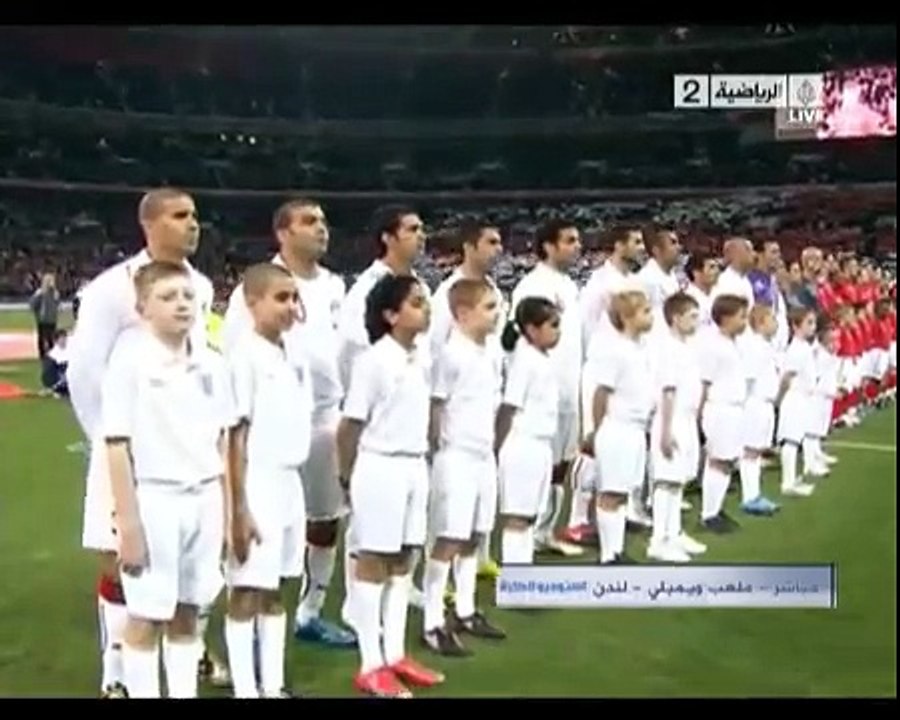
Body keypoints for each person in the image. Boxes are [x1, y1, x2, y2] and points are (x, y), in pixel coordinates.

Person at [66, 188, 215, 698]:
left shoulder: (203, 286)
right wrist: (107, 441)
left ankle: (183, 660)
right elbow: (85, 371)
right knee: (121, 562)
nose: (193, 224)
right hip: (124, 448)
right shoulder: (111, 289)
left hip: (183, 454)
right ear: (149, 224)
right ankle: (116, 674)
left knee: (182, 571)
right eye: (180, 215)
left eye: (194, 215)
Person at [223, 199, 355, 648]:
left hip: (322, 416)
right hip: (266, 430)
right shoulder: (258, 286)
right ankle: (235, 621)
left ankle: (310, 611)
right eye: (309, 221)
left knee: (323, 519)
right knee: (255, 529)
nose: (322, 228)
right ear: (283, 232)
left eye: (323, 220)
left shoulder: (335, 286)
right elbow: (234, 357)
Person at [100, 261, 229, 698]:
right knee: (147, 615)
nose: (181, 305)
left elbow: (223, 443)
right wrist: (128, 523)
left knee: (190, 610)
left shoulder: (213, 363)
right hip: (156, 499)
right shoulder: (129, 364)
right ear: (143, 308)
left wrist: (229, 511)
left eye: (188, 297)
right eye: (168, 297)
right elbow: (116, 445)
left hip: (206, 496)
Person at [337, 274, 442, 698]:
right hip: (380, 465)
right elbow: (350, 425)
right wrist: (346, 475)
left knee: (405, 559)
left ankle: (395, 652)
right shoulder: (374, 360)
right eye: (416, 303)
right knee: (375, 559)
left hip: (415, 464)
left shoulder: (421, 357)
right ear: (390, 314)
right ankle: (370, 662)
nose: (426, 309)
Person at [224, 263, 313, 698]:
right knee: (246, 589)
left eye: (295, 298)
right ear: (251, 302)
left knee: (277, 587)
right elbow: (233, 438)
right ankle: (245, 688)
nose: (291, 307)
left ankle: (273, 685)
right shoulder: (243, 356)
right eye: (281, 298)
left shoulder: (291, 354)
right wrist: (237, 508)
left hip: (289, 482)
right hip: (257, 481)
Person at [337, 205, 429, 615]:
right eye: (411, 229)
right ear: (387, 238)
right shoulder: (367, 289)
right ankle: (356, 605)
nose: (421, 235)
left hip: (408, 422)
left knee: (401, 539)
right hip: (376, 422)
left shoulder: (415, 285)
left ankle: (390, 607)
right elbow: (351, 354)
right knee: (368, 533)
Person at [423, 278, 506, 657]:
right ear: (462, 314)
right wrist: (437, 447)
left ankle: (467, 609)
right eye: (488, 307)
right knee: (448, 537)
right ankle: (432, 620)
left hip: (483, 454)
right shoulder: (450, 354)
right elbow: (437, 404)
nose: (496, 313)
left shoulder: (491, 351)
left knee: (475, 533)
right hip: (455, 455)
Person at [427, 220, 504, 580]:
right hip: (454, 438)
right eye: (490, 241)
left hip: (482, 435)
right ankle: (436, 588)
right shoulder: (447, 295)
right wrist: (434, 436)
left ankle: (466, 593)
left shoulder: (494, 293)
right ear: (469, 246)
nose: (498, 248)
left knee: (477, 519)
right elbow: (435, 353)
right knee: (449, 522)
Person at [510, 219, 583, 557]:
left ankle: (546, 529)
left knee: (562, 465)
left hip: (569, 387)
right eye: (569, 241)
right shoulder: (533, 285)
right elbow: (521, 336)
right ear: (549, 246)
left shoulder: (569, 284)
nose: (577, 246)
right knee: (545, 465)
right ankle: (533, 530)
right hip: (542, 392)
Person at [586, 290, 655, 564]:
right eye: (645, 311)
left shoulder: (641, 349)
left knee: (624, 492)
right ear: (627, 317)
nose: (651, 316)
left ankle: (617, 549)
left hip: (636, 427)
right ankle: (607, 555)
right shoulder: (615, 351)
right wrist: (597, 429)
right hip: (618, 427)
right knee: (611, 492)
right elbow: (601, 393)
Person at [495, 297, 561, 565]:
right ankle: (516, 578)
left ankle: (524, 575)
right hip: (523, 443)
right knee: (518, 517)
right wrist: (496, 447)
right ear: (532, 330)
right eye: (553, 325)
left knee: (531, 516)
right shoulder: (524, 360)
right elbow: (509, 406)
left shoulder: (540, 357)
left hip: (540, 444)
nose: (559, 331)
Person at [647, 292, 707, 562]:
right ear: (675, 318)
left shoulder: (689, 346)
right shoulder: (667, 348)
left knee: (680, 479)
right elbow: (667, 390)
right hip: (671, 418)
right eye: (692, 316)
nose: (697, 321)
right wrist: (666, 430)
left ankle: (674, 532)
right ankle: (658, 539)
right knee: (666, 480)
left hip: (687, 418)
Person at [698, 295, 750, 533]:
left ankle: (716, 508)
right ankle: (709, 514)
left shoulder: (732, 343)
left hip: (734, 408)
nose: (745, 321)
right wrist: (698, 416)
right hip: (719, 408)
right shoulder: (713, 345)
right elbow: (704, 382)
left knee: (727, 461)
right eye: (741, 316)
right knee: (718, 460)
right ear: (726, 318)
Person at [739, 305, 782, 516]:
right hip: (754, 403)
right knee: (750, 451)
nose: (775, 323)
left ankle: (754, 494)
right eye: (771, 319)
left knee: (756, 452)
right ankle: (749, 496)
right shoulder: (753, 346)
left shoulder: (766, 345)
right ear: (760, 323)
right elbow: (748, 379)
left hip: (765, 403)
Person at [776, 307, 819, 497]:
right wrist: (779, 398)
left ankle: (792, 478)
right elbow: (787, 376)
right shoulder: (796, 350)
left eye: (813, 323)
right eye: (808, 323)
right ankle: (788, 482)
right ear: (795, 326)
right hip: (794, 397)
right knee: (791, 440)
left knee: (797, 437)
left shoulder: (805, 347)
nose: (813, 327)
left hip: (803, 397)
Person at [684, 253, 720, 328]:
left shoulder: (719, 294)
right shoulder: (687, 300)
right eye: (712, 267)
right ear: (696, 273)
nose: (717, 271)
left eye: (717, 267)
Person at [30, 272, 61, 358]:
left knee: (51, 338)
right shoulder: (40, 293)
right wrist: (38, 313)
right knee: (42, 337)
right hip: (43, 319)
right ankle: (42, 354)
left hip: (52, 319)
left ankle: (52, 354)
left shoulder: (55, 293)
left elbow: (57, 304)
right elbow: (33, 304)